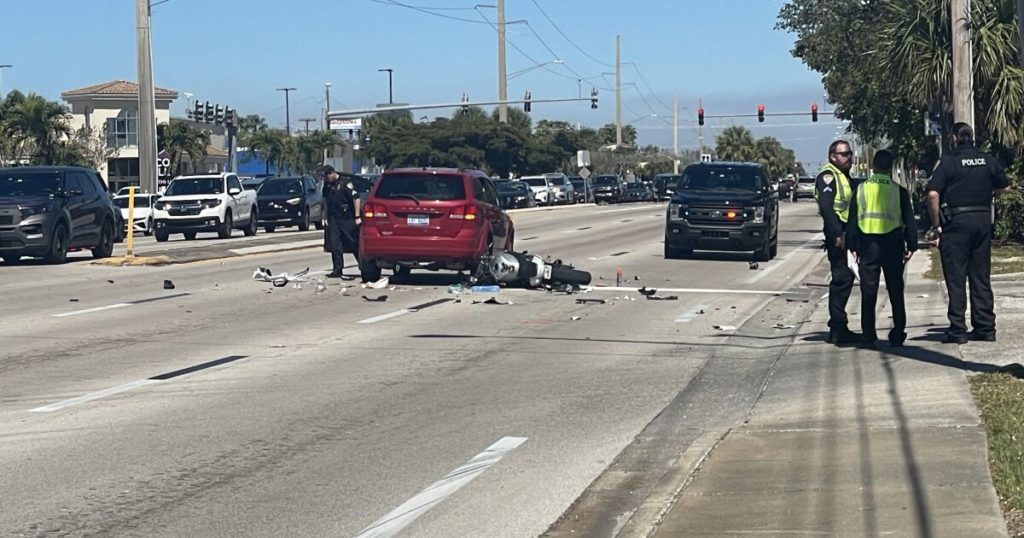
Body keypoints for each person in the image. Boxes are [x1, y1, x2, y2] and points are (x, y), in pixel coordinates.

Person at [926, 122, 1011, 344]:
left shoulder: (949, 163)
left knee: (956, 278)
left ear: (954, 137)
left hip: (956, 224)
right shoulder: (988, 160)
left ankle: (957, 330)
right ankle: (985, 327)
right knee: (980, 276)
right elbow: (1005, 187)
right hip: (982, 221)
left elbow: (933, 194)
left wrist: (937, 225)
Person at [846, 150, 917, 348]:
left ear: (874, 167)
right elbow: (909, 220)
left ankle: (869, 335)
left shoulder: (861, 189)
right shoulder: (899, 190)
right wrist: (912, 244)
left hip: (868, 245)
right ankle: (897, 332)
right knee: (895, 290)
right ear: (890, 168)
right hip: (893, 244)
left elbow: (853, 219)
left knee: (869, 292)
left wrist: (852, 245)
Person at [814, 139, 859, 344]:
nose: (848, 157)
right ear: (833, 156)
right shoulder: (828, 176)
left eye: (850, 154)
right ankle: (838, 329)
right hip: (838, 234)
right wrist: (837, 235)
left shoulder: (843, 176)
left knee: (847, 279)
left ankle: (840, 326)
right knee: (841, 280)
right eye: (844, 154)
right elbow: (826, 207)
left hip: (846, 233)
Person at [321, 165, 361, 280]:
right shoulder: (327, 185)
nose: (326, 179)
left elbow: (356, 198)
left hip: (346, 217)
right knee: (335, 244)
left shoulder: (345, 183)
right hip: (334, 218)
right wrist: (325, 217)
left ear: (333, 173)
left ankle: (364, 266)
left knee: (353, 242)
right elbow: (326, 201)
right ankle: (337, 270)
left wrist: (357, 216)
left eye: (327, 176)